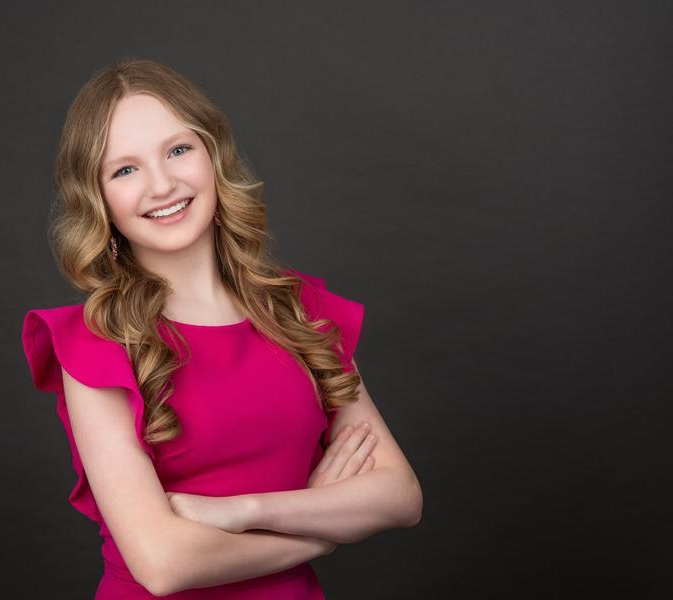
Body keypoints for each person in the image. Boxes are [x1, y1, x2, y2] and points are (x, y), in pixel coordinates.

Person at [21, 57, 422, 598]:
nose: (162, 184)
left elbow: (399, 496)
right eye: (125, 170)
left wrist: (246, 511)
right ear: (99, 200)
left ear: (213, 155)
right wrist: (319, 533)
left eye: (177, 150)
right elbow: (164, 565)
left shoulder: (301, 311)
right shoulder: (94, 343)